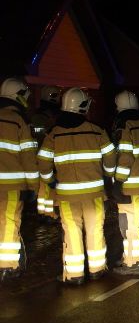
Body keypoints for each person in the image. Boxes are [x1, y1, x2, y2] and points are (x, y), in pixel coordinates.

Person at [38, 87, 116, 285]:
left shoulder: (53, 135)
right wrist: (106, 176)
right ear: (82, 106)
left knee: (71, 232)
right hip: (94, 194)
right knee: (95, 230)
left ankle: (74, 275)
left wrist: (51, 181)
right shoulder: (97, 131)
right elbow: (110, 158)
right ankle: (97, 269)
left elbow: (43, 164)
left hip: (66, 196)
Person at [111, 91, 139, 275]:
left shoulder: (124, 126)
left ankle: (133, 263)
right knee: (138, 223)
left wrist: (118, 181)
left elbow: (125, 157)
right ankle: (130, 257)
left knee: (129, 225)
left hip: (129, 185)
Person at [0, 78, 39, 281]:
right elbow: (28, 157)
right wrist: (33, 186)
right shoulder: (18, 121)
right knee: (8, 223)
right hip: (11, 186)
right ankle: (7, 266)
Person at [32, 85, 61, 219]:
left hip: (36, 157)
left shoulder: (35, 116)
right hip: (48, 156)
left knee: (43, 186)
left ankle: (42, 211)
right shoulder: (49, 118)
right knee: (49, 185)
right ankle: (50, 213)